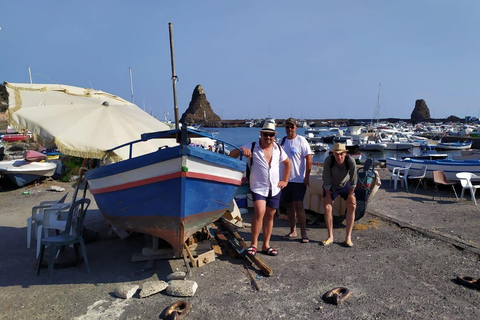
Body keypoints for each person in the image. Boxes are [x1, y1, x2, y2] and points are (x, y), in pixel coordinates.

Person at [229, 119, 291, 256]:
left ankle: (266, 245)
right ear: (261, 135)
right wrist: (241, 150)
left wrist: (285, 180)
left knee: (270, 215)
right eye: (266, 135)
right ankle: (253, 244)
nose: (268, 137)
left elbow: (288, 163)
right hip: (258, 187)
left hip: (274, 188)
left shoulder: (278, 148)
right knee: (259, 212)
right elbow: (232, 155)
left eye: (271, 135)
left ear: (274, 136)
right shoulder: (252, 146)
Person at [280, 118, 314, 243]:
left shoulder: (301, 140)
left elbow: (308, 158)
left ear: (296, 127)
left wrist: (307, 176)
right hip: (285, 180)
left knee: (299, 205)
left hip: (298, 179)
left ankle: (304, 233)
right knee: (289, 206)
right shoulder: (282, 141)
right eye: (287, 127)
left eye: (291, 127)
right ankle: (292, 230)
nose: (289, 129)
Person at [322, 143, 357, 247]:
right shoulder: (329, 160)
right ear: (333, 154)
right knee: (327, 207)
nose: (339, 157)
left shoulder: (350, 160)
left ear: (345, 153)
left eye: (341, 154)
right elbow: (326, 178)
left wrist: (351, 196)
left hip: (345, 184)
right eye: (337, 154)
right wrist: (328, 195)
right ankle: (330, 236)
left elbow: (353, 180)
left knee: (352, 206)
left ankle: (348, 237)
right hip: (331, 186)